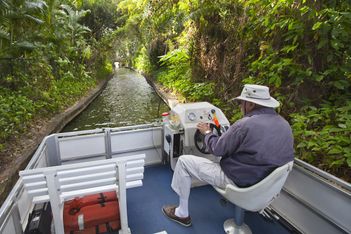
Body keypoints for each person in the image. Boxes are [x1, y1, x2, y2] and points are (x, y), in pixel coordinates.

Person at [162, 84, 294, 227]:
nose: (240, 106)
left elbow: (217, 149)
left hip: (240, 182)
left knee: (183, 161)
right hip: (265, 186)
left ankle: (182, 214)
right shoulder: (284, 124)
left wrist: (207, 133)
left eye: (241, 103)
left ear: (249, 104)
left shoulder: (244, 125)